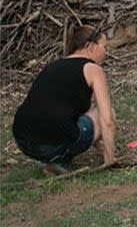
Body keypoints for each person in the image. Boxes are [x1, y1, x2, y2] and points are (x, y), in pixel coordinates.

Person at [12, 25, 117, 172]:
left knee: (76, 116)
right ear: (91, 47)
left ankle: (56, 161)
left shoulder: (53, 66)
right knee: (108, 112)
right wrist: (111, 160)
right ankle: (60, 156)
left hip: (24, 142)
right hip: (52, 146)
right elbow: (107, 120)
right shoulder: (93, 69)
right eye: (104, 46)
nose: (105, 52)